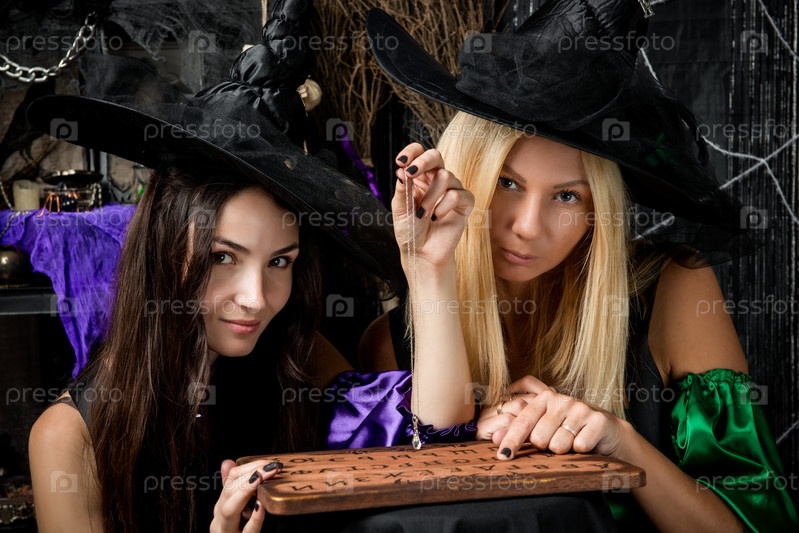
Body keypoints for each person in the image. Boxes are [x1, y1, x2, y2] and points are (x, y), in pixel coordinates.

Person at [354, 3, 798, 531]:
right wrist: (429, 272)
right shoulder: (393, 343)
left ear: (597, 212)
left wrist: (619, 442)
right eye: (507, 182)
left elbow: (751, 526)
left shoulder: (672, 293)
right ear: (466, 171)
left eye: (567, 196)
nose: (527, 226)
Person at [25, 2, 400, 530]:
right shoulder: (68, 439)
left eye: (280, 261)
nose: (256, 298)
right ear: (164, 249)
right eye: (222, 257)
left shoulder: (298, 355)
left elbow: (410, 432)